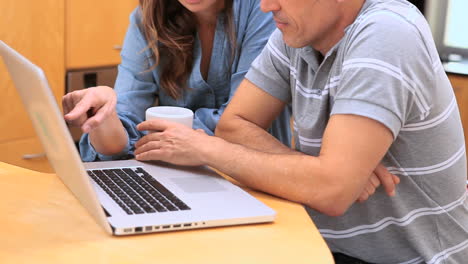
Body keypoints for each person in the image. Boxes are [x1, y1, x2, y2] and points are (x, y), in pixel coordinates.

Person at [132, 0, 468, 263]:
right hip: (319, 243)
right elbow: (233, 125)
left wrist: (205, 149)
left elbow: (332, 194)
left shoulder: (388, 34)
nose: (266, 6)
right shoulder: (295, 33)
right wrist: (322, 173)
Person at [62, 0, 292, 162]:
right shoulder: (147, 19)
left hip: (251, 177)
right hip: (173, 176)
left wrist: (151, 139)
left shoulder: (264, 9)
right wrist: (104, 116)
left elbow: (240, 123)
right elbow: (116, 141)